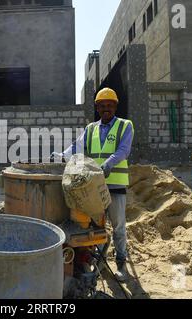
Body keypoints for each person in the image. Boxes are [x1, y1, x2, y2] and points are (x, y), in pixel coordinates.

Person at [53, 87, 134, 282]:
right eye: (102, 105)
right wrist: (60, 157)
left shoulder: (125, 126)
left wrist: (108, 164)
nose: (106, 109)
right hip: (92, 189)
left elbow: (123, 150)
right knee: (94, 227)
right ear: (97, 108)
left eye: (110, 105)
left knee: (118, 227)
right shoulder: (91, 129)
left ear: (115, 107)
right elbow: (77, 147)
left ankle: (121, 264)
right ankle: (98, 260)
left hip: (115, 186)